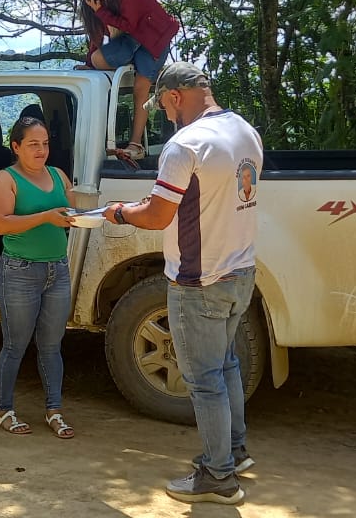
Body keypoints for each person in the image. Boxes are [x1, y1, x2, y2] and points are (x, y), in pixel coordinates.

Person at [103, 63, 263, 504]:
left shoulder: (184, 145)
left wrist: (120, 212)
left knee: (205, 380)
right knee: (225, 366)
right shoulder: (244, 131)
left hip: (198, 281)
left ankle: (218, 477)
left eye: (163, 106)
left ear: (174, 96)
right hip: (240, 271)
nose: (165, 116)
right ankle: (234, 453)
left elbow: (158, 216)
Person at [0, 116, 77, 439]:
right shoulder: (5, 179)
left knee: (52, 346)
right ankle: (4, 408)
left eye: (45, 144)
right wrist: (46, 217)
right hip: (19, 272)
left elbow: (72, 213)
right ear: (16, 146)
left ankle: (54, 410)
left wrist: (89, 214)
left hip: (57, 269)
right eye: (33, 144)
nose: (41, 150)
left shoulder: (58, 175)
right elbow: (1, 224)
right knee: (15, 345)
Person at [69, 0, 179, 164]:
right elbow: (97, 31)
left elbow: (128, 24)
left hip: (154, 36)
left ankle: (135, 145)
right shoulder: (95, 0)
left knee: (141, 87)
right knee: (98, 60)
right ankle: (134, 65)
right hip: (131, 38)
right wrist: (89, 63)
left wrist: (101, 12)